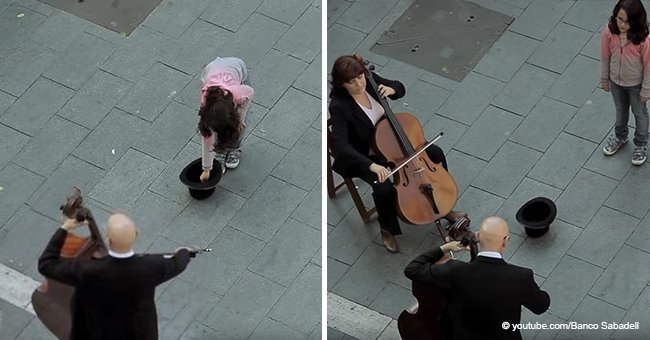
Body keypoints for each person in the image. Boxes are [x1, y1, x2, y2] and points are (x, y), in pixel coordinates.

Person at [328, 54, 466, 253]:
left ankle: (443, 206)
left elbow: (399, 87)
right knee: (383, 187)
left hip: (395, 143)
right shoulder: (339, 106)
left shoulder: (370, 81)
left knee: (435, 153)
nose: (359, 84)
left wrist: (392, 89)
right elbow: (341, 146)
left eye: (360, 76)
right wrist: (372, 166)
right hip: (367, 156)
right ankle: (387, 229)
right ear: (342, 84)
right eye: (351, 81)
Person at [38, 213, 193, 340]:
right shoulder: (153, 266)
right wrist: (184, 252)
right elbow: (178, 264)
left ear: (109, 240)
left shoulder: (88, 270)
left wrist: (65, 228)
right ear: (137, 233)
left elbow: (46, 264)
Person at [404, 216, 550, 339]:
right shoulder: (521, 277)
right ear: (506, 241)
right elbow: (541, 307)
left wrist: (446, 248)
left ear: (478, 236)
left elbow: (412, 269)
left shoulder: (455, 270)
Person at [601, 0, 649, 165]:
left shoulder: (643, 39)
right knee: (620, 109)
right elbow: (605, 55)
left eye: (626, 21)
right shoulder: (609, 31)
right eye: (619, 19)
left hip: (636, 84)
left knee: (640, 113)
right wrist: (604, 77)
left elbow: (649, 66)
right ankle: (620, 136)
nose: (621, 24)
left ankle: (641, 144)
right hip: (616, 81)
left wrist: (646, 89)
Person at [198, 57, 254, 181]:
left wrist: (241, 115)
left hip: (238, 68)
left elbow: (250, 92)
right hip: (213, 71)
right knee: (222, 129)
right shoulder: (206, 106)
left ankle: (234, 148)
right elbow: (206, 137)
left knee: (241, 125)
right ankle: (221, 151)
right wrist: (206, 168)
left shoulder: (240, 93)